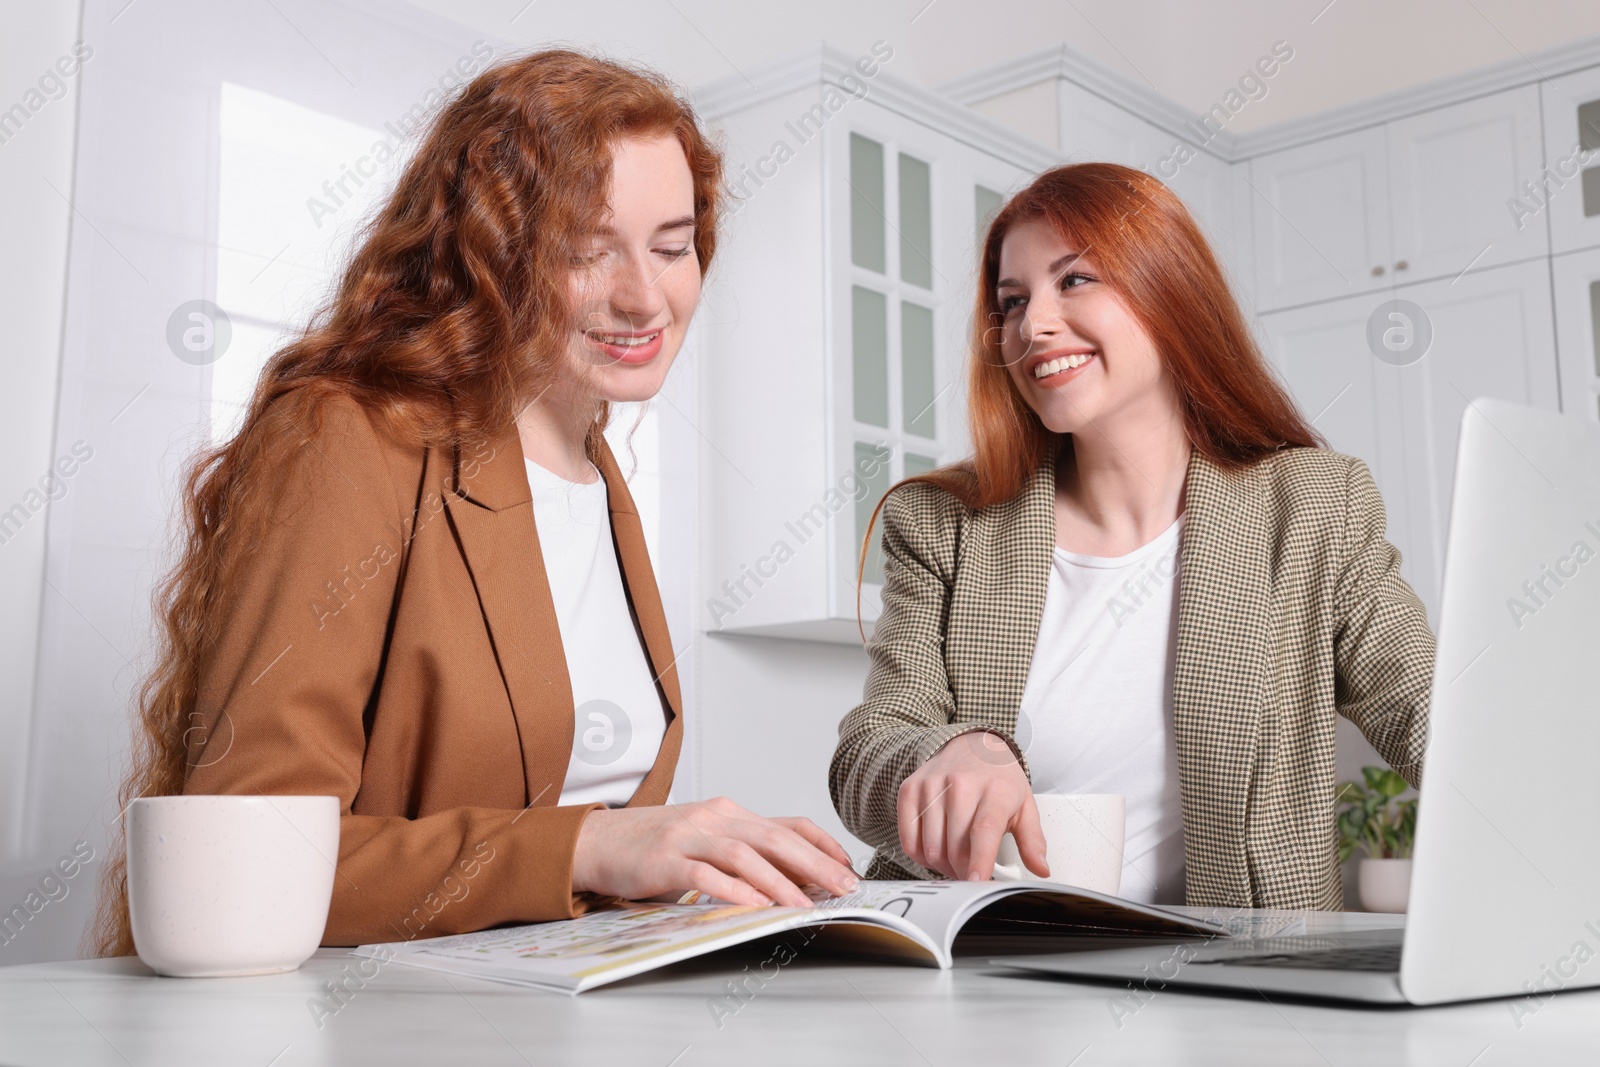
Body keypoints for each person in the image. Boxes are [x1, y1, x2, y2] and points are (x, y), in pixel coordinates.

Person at [94, 49, 858, 955]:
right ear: (488, 255)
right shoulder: (346, 433)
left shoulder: (599, 469)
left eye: (671, 246)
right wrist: (591, 847)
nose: (645, 296)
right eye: (586, 249)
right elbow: (249, 859)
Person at [829, 162, 1432, 910]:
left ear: (1169, 288)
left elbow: (1429, 709)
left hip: (1236, 991)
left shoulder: (1311, 506)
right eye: (1012, 301)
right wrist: (956, 749)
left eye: (1074, 280)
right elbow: (868, 747)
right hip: (987, 972)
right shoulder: (942, 522)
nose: (1032, 324)